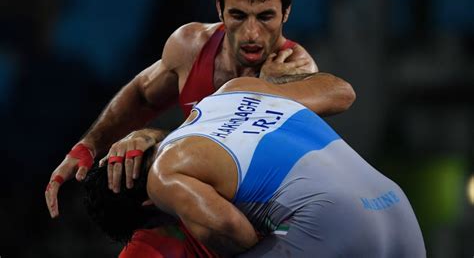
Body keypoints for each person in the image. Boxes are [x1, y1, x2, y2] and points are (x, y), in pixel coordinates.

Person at [46, 0, 355, 216]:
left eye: (265, 17)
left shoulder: (295, 68)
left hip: (255, 219)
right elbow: (142, 94)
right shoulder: (190, 45)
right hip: (194, 208)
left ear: (286, 13)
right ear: (219, 8)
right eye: (238, 15)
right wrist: (88, 145)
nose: (251, 34)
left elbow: (224, 155)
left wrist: (155, 138)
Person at [84, 73, 426, 257]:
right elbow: (341, 92)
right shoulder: (234, 90)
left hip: (331, 225)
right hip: (398, 208)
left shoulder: (163, 178)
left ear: (150, 205)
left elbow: (237, 234)